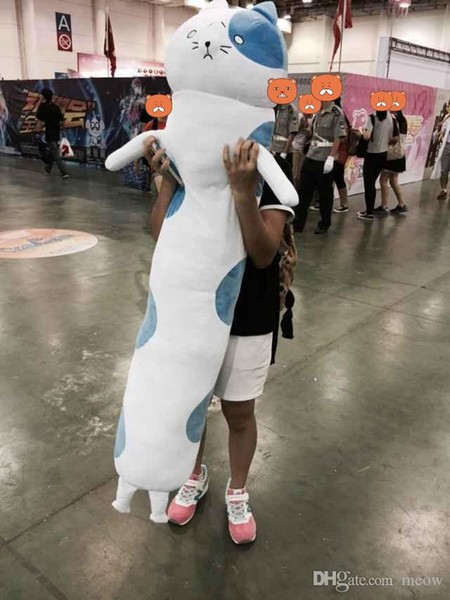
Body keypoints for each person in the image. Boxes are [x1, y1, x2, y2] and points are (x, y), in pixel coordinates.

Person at [145, 136, 295, 545]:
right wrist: (169, 181)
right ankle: (193, 476)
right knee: (190, 406)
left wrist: (244, 191)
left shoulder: (268, 162)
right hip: (192, 309)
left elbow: (263, 253)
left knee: (239, 412)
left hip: (248, 313)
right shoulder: (188, 156)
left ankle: (238, 491)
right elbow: (161, 234)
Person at [294, 99, 347, 234]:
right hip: (311, 155)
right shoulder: (318, 111)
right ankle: (298, 223)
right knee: (304, 191)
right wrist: (305, 127)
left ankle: (324, 223)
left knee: (325, 193)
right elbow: (313, 135)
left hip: (325, 158)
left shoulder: (336, 113)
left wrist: (331, 158)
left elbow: (338, 137)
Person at [357, 110, 398, 222]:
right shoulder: (391, 118)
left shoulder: (372, 118)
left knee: (369, 185)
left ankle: (369, 212)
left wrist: (361, 132)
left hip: (372, 155)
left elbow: (366, 137)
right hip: (383, 155)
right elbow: (394, 138)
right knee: (372, 183)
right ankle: (369, 210)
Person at [376, 110, 408, 215]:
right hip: (399, 155)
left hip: (391, 156)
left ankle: (384, 206)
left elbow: (393, 139)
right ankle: (402, 204)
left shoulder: (392, 120)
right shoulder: (402, 120)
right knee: (393, 181)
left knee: (383, 180)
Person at [36, 88, 68, 179]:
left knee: (54, 152)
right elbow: (61, 119)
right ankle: (48, 168)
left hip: (49, 132)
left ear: (44, 96)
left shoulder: (43, 106)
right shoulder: (55, 107)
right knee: (52, 151)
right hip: (56, 132)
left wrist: (40, 102)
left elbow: (38, 116)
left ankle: (64, 172)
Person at [333, 97, 350, 214]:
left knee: (338, 178)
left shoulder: (339, 115)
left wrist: (334, 140)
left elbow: (344, 137)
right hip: (335, 152)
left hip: (339, 154)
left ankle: (344, 204)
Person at [292, 114, 312, 189]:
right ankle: (295, 189)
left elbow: (310, 136)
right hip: (296, 147)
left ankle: (299, 190)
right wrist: (301, 124)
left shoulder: (313, 118)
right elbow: (293, 131)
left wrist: (307, 126)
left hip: (307, 149)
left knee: (301, 172)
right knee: (295, 172)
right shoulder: (299, 116)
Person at [433, 113, 450, 200]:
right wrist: (439, 129)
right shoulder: (447, 116)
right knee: (444, 170)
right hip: (447, 146)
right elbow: (442, 131)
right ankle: (443, 190)